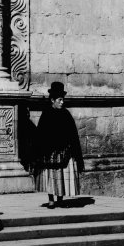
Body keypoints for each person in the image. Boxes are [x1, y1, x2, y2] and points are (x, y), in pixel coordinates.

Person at [34, 81, 84, 209]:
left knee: (61, 176)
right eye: (59, 100)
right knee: (51, 177)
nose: (62, 102)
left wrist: (74, 152)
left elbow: (73, 134)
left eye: (62, 100)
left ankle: (60, 199)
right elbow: (40, 134)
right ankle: (51, 199)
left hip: (63, 153)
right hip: (49, 153)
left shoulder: (66, 114)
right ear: (52, 100)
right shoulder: (46, 114)